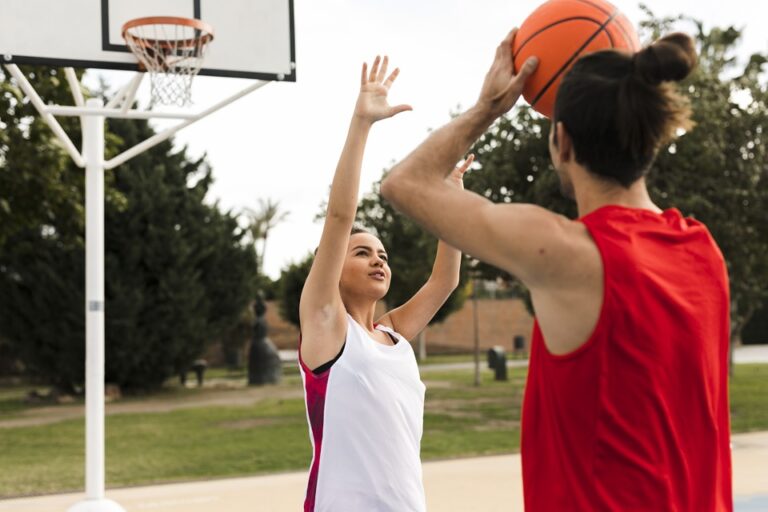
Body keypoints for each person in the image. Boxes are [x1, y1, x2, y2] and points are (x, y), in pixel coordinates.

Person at [382, 30, 732, 511]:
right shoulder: (702, 251)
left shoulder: (572, 252)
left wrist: (489, 106)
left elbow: (404, 183)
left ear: (562, 142)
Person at [298, 55, 465, 512]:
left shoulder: (391, 334)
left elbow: (445, 280)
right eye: (362, 252)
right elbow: (340, 216)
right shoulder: (327, 329)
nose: (378, 260)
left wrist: (449, 197)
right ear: (331, 266)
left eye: (383, 255)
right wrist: (362, 123)